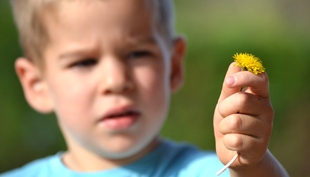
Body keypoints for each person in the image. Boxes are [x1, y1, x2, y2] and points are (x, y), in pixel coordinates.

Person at [1, 0, 289, 176]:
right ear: (37, 84)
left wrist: (249, 164)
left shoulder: (212, 171)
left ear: (174, 66)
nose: (116, 80)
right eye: (84, 62)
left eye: (137, 54)